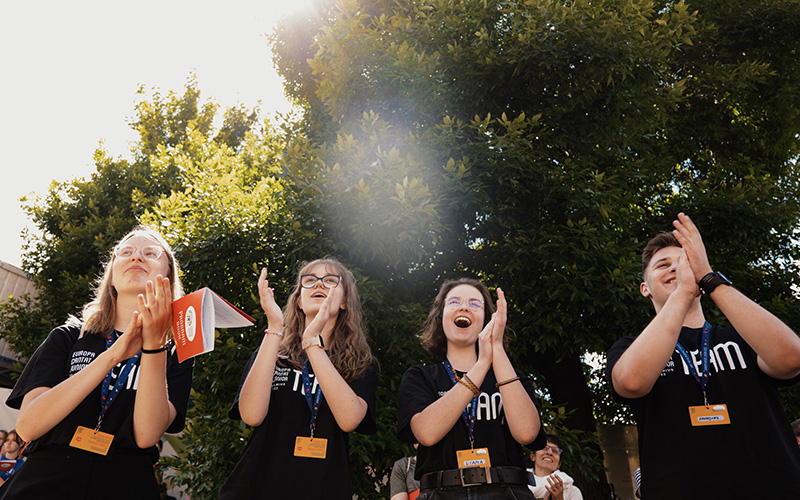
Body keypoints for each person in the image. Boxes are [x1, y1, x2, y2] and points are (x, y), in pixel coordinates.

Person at [606, 213, 800, 499]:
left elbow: (791, 358)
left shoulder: (742, 335)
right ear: (645, 289)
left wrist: (709, 278)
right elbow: (631, 382)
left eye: (684, 262)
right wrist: (683, 292)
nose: (677, 269)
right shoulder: (629, 347)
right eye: (663, 265)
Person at [0, 226, 194, 499]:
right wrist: (111, 357)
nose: (136, 257)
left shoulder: (177, 353)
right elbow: (28, 426)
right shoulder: (68, 337)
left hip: (125, 482)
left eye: (150, 253)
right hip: (46, 477)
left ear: (168, 276)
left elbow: (147, 435)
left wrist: (153, 347)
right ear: (111, 277)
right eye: (126, 252)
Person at [218, 258, 377, 500]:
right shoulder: (274, 353)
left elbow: (349, 420)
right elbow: (251, 415)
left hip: (323, 490)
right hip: (255, 488)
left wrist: (312, 342)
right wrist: (274, 326)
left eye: (331, 280)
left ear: (344, 302)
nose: (319, 284)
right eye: (310, 280)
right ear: (299, 301)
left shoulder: (360, 363)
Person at [398, 278, 546, 500]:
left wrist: (496, 348)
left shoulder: (510, 376)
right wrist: (481, 365)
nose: (464, 307)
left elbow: (527, 433)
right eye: (454, 301)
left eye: (475, 304)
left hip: (507, 491)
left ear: (487, 320)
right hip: (441, 493)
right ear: (441, 317)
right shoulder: (421, 376)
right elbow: (427, 433)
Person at [527, 434, 582, 500]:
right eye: (545, 448)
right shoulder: (518, 483)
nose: (549, 453)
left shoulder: (571, 491)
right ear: (533, 456)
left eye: (555, 451)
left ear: (559, 464)